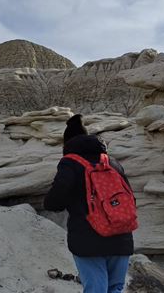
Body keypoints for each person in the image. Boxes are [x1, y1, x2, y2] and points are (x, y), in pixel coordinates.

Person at [44, 114, 134, 293]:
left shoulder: (70, 163)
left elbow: (55, 200)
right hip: (121, 234)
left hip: (88, 238)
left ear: (67, 143)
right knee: (115, 288)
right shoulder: (112, 163)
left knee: (96, 289)